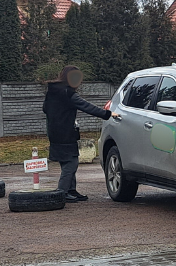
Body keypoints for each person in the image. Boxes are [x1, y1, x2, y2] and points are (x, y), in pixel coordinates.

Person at [43, 65, 119, 202]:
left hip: (54, 132)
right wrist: (108, 114)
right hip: (65, 133)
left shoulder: (52, 92)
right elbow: (87, 107)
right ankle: (62, 192)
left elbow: (45, 109)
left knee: (66, 162)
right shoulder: (68, 93)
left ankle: (71, 190)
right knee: (72, 163)